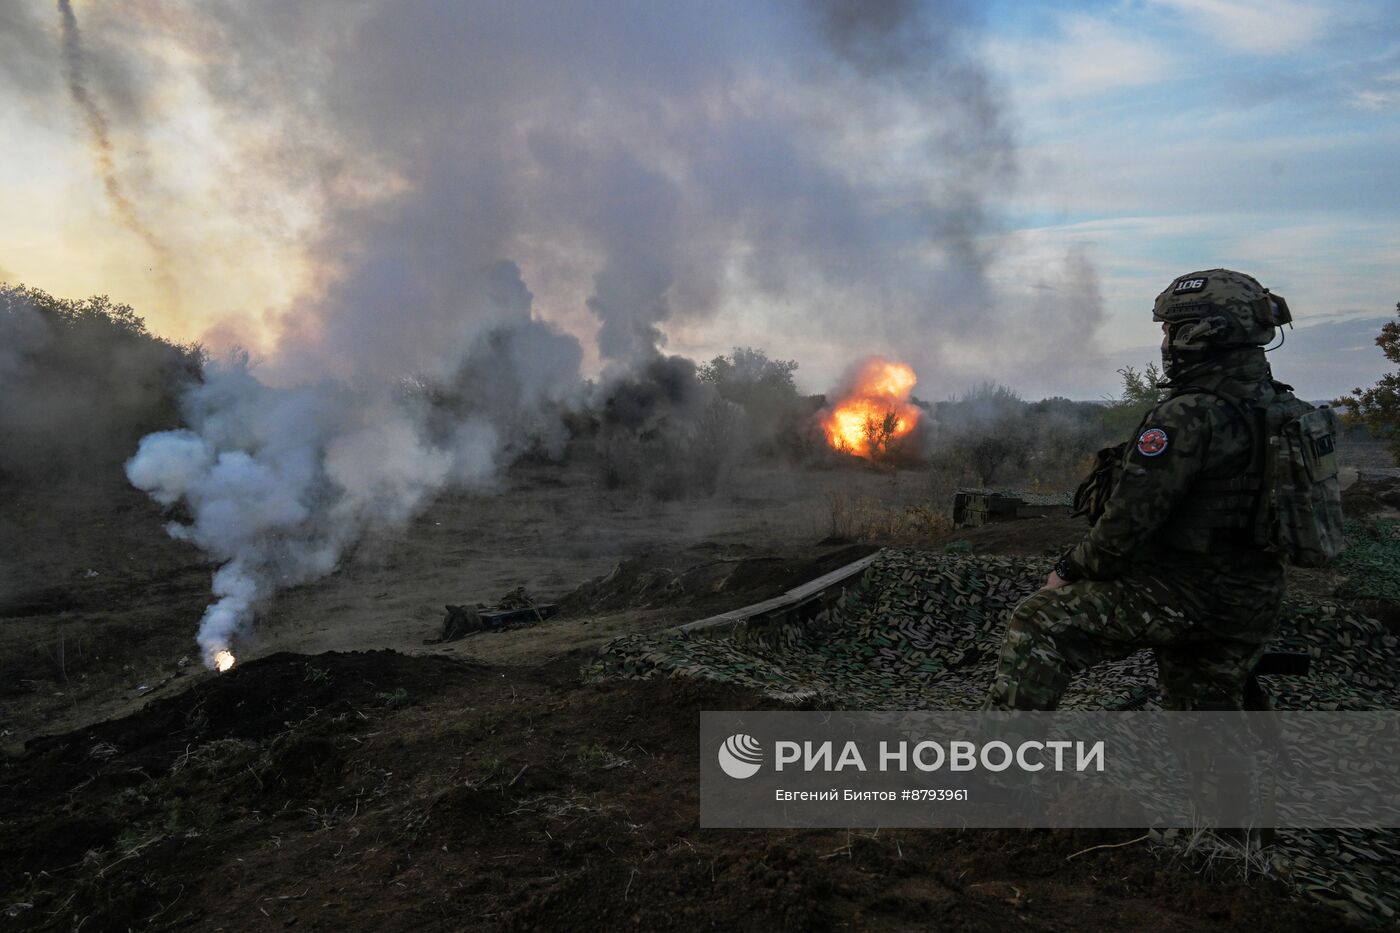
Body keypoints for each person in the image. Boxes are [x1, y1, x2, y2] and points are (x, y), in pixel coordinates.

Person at [985, 269, 1298, 711]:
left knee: (1039, 620)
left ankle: (997, 773)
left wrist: (1068, 571)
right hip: (1254, 596)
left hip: (1190, 593)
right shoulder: (1284, 407)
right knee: (1204, 725)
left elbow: (1126, 526)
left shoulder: (1186, 416)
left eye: (1171, 329)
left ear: (1199, 334)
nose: (1166, 341)